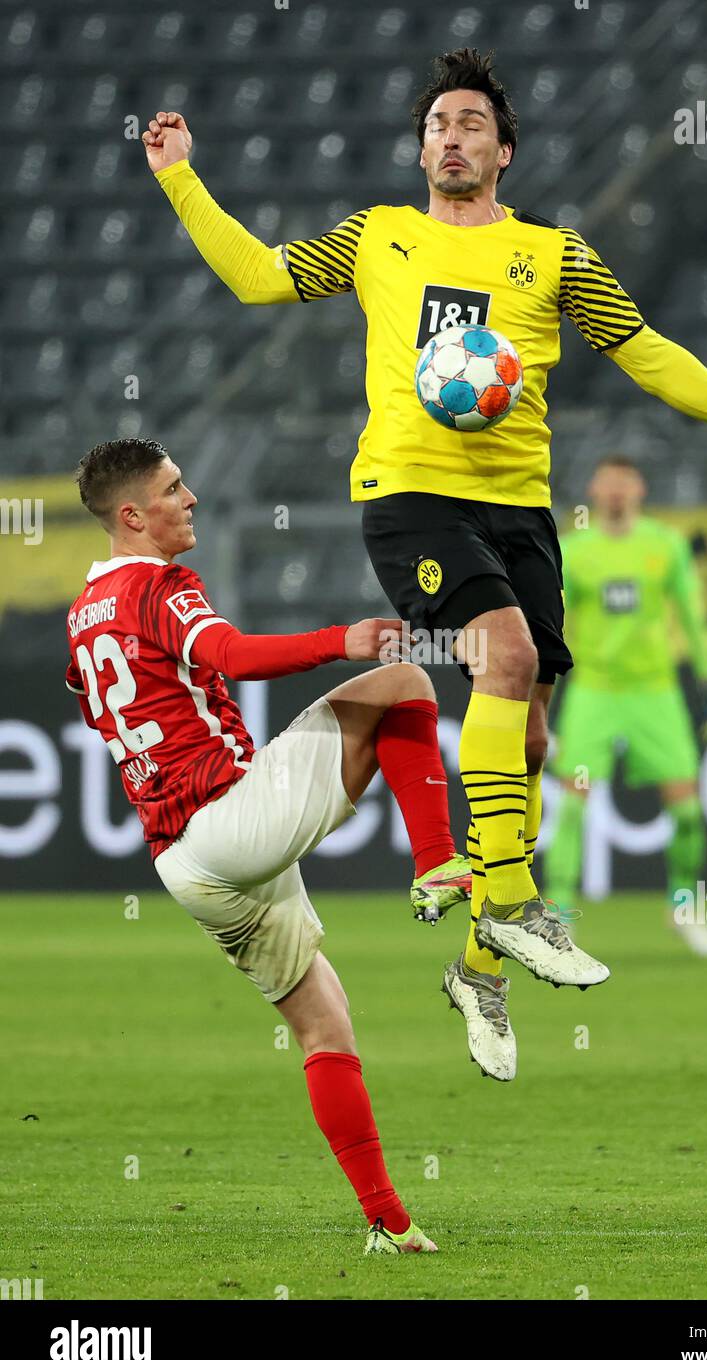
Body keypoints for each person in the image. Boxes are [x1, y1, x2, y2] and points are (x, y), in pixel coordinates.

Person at [142, 47, 707, 1082]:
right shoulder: (381, 236)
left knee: (533, 737)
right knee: (503, 660)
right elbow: (258, 277)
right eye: (436, 125)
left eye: (469, 124)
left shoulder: (553, 255)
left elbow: (642, 348)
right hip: (408, 498)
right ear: (420, 148)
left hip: (518, 515)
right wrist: (179, 176)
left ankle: (479, 969)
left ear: (503, 151)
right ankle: (509, 899)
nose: (450, 138)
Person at [64, 436, 480, 1254]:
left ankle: (389, 1224)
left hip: (183, 863)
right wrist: (341, 639)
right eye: (175, 488)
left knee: (325, 1025)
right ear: (131, 516)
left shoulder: (82, 615)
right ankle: (437, 864)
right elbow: (233, 655)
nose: (191, 499)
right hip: (227, 821)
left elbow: (94, 705)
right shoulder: (156, 588)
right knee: (403, 684)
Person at [545, 456, 707, 956]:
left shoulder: (665, 545)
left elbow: (692, 620)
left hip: (655, 692)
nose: (614, 491)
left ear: (639, 488)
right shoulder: (573, 550)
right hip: (595, 691)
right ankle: (560, 917)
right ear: (594, 488)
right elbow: (554, 629)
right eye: (606, 482)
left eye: (623, 482)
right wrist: (541, 697)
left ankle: (682, 906)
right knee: (572, 809)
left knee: (689, 810)